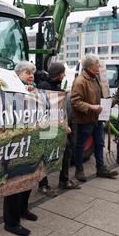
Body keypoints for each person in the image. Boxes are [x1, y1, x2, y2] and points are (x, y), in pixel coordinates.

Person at [2, 61, 39, 236]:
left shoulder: (35, 90)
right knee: (14, 182)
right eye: (27, 72)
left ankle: (23, 209)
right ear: (17, 75)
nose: (31, 75)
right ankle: (11, 222)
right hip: (14, 142)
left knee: (28, 177)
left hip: (29, 140)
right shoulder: (7, 89)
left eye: (32, 72)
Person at [71, 54, 118, 182]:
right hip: (85, 119)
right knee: (80, 145)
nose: (99, 65)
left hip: (97, 118)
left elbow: (101, 94)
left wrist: (108, 102)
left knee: (99, 143)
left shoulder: (95, 78)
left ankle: (101, 168)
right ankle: (79, 170)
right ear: (90, 66)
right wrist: (91, 107)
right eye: (97, 64)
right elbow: (75, 101)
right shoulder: (80, 81)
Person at [37, 63, 81, 194]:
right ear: (57, 74)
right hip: (46, 126)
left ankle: (64, 180)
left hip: (57, 125)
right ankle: (43, 184)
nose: (64, 75)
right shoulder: (44, 87)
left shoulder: (56, 86)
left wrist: (64, 125)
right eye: (62, 73)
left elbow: (59, 109)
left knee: (66, 149)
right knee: (45, 154)